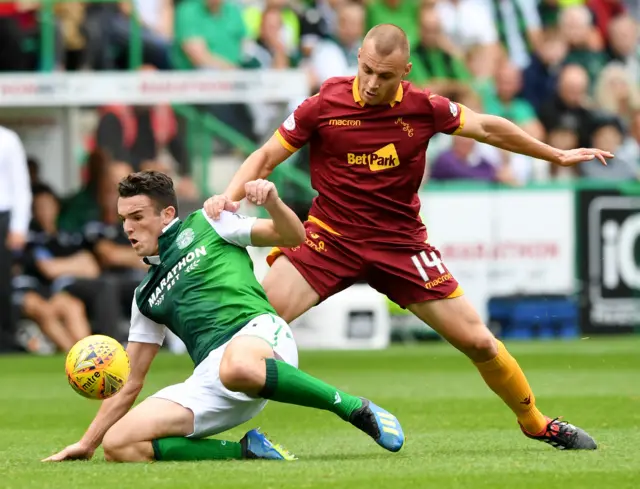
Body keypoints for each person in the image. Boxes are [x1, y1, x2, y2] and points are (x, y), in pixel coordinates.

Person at [204, 24, 614, 450]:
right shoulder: (324, 102)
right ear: (358, 57)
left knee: (479, 341)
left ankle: (535, 422)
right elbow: (266, 156)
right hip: (329, 238)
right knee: (247, 331)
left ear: (406, 72)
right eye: (366, 70)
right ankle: (200, 426)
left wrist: (556, 154)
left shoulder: (424, 108)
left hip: (401, 245)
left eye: (385, 76)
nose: (372, 83)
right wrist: (228, 198)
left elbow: (487, 128)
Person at [43, 171, 404, 463]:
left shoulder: (208, 224)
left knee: (236, 366)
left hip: (258, 335)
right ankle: (248, 451)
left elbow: (293, 236)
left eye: (137, 217)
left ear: (167, 214)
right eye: (124, 219)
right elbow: (132, 381)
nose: (128, 228)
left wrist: (273, 202)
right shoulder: (145, 296)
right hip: (212, 376)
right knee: (121, 444)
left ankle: (353, 407)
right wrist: (88, 442)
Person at [0, 125, 32, 353]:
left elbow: (20, 186)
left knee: (2, 286)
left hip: (2, 215)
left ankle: (5, 341)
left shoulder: (7, 138)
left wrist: (19, 226)